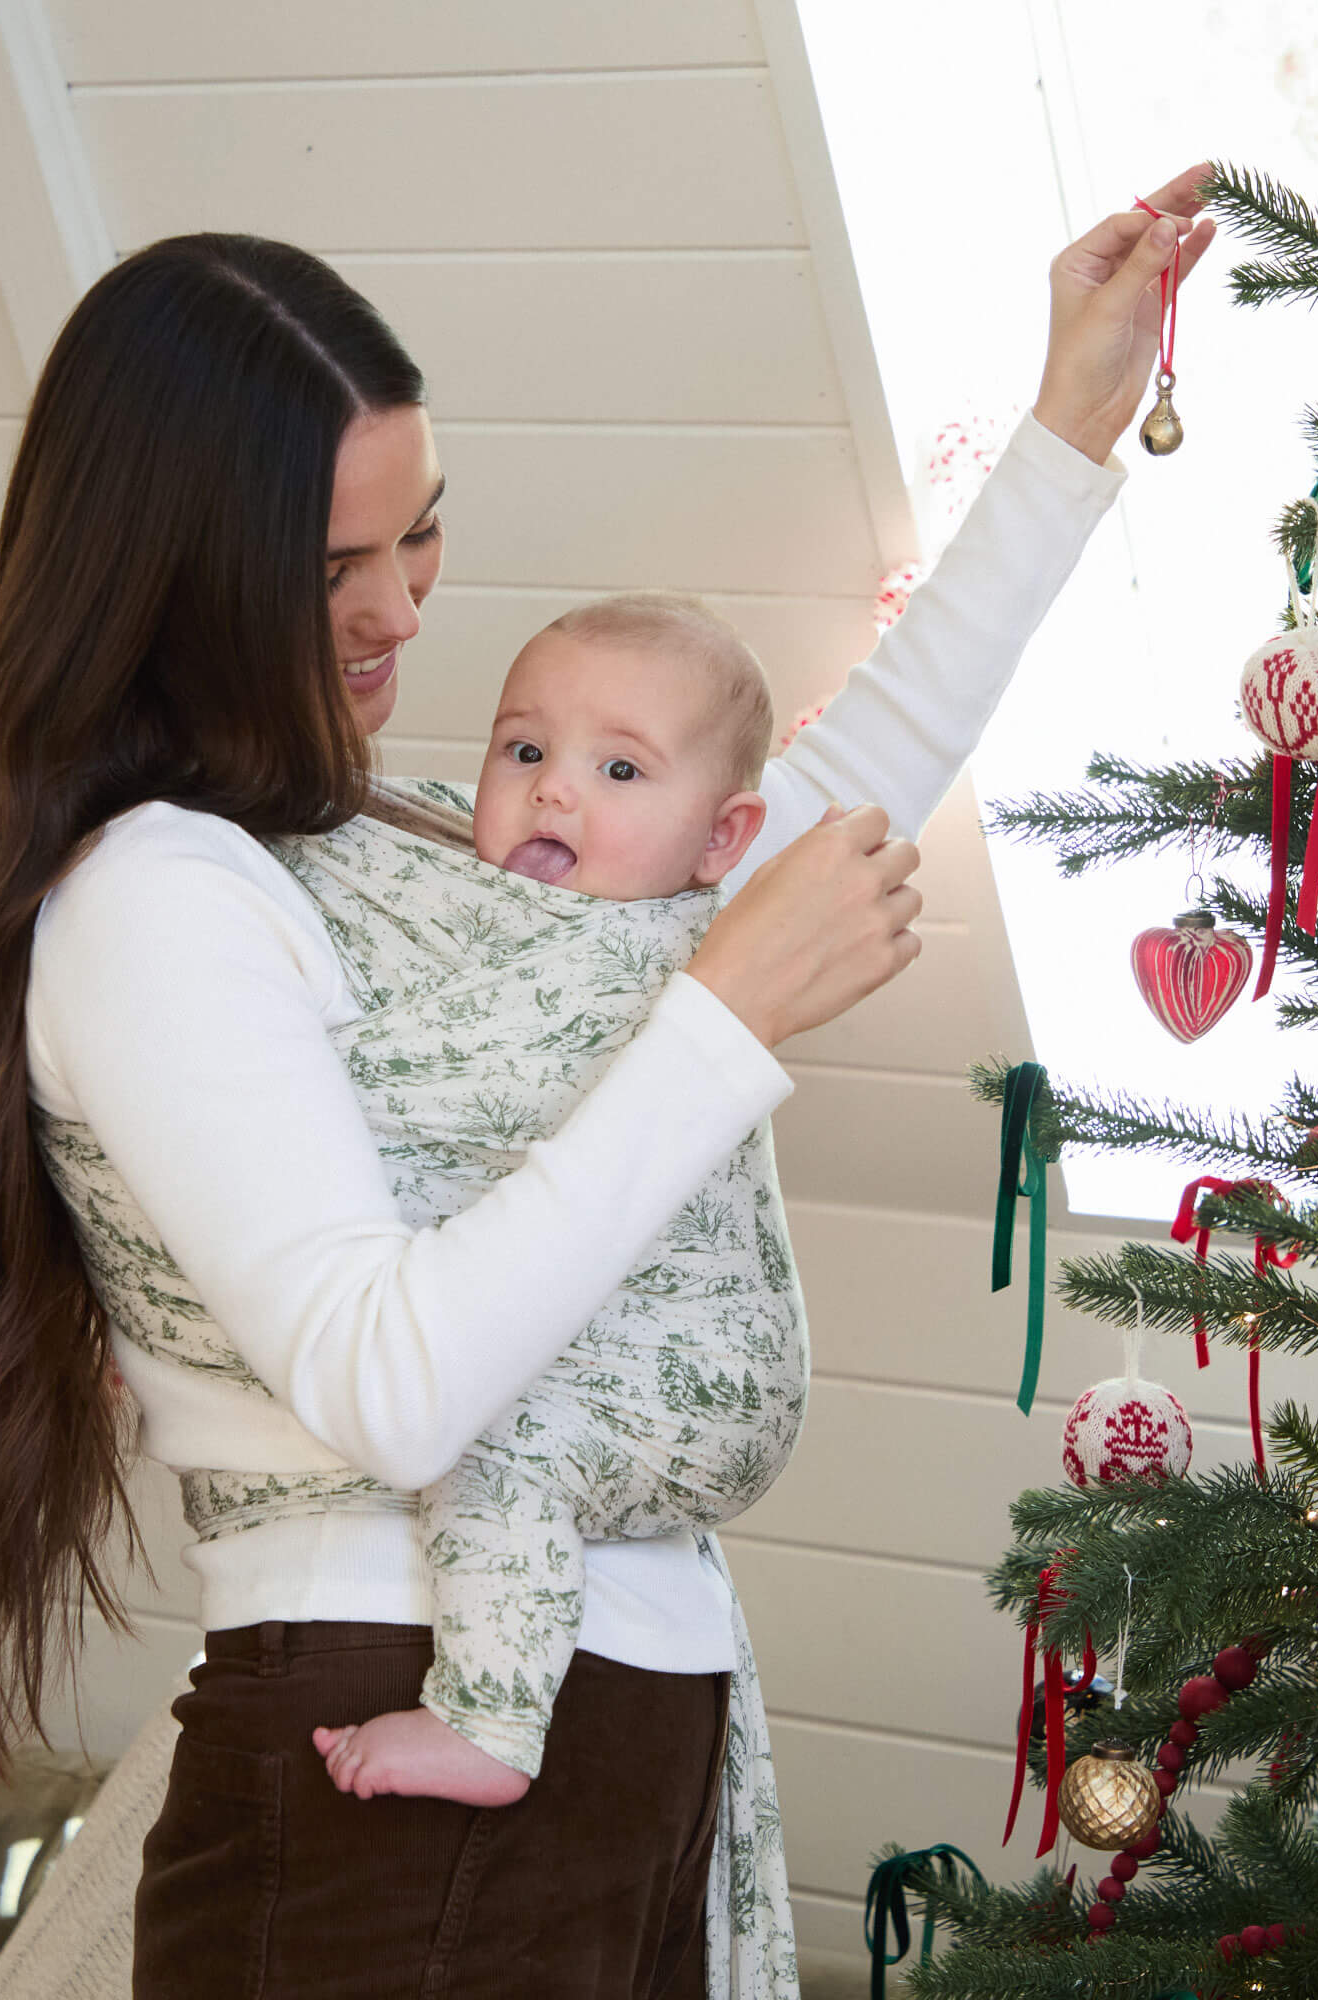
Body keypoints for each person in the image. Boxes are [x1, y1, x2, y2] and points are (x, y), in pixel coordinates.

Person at [0, 174, 1214, 1999]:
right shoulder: (154, 897)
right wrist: (722, 1021)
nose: (397, 608)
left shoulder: (424, 837)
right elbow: (392, 1387)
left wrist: (1072, 421)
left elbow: (805, 802)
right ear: (177, 572)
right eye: (333, 567)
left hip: (618, 1738)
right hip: (384, 1752)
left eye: (422, 532)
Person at [298, 594, 795, 1811]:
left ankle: (488, 1716)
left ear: (721, 837)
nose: (552, 789)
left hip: (698, 1382)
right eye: (523, 749)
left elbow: (421, 1088)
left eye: (618, 769)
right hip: (627, 1367)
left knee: (495, 1444)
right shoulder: (491, 908)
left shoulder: (651, 960)